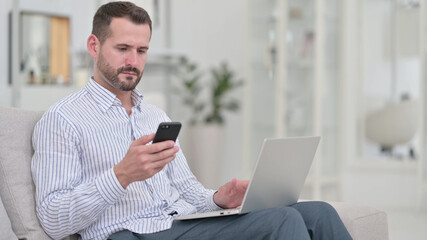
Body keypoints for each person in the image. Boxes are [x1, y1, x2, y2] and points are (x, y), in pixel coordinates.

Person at [31, 2, 353, 240]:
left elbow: (187, 189)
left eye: (142, 50)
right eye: (123, 48)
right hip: (131, 233)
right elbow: (53, 219)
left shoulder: (155, 116)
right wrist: (121, 175)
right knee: (283, 221)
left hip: (181, 223)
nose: (133, 61)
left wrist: (218, 198)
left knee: (319, 212)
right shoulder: (63, 120)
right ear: (94, 46)